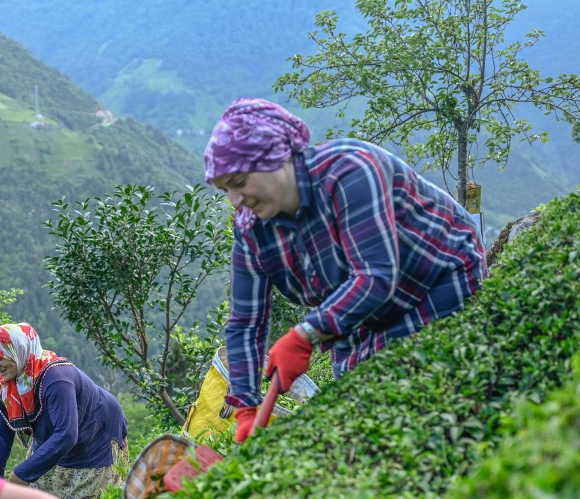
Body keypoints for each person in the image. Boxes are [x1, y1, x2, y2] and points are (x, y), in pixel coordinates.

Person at [205, 98, 487, 443]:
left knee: (426, 406)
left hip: (435, 279)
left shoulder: (350, 170)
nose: (235, 200)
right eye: (226, 189)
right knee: (365, 423)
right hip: (361, 318)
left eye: (240, 181)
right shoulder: (252, 229)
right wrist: (245, 405)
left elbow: (376, 275)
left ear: (276, 158)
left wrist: (304, 335)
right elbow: (245, 322)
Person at [0, 322, 129, 499]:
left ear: (18, 351)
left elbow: (67, 435)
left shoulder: (57, 378)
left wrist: (21, 474)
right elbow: (1, 436)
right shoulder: (7, 388)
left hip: (96, 434)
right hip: (55, 436)